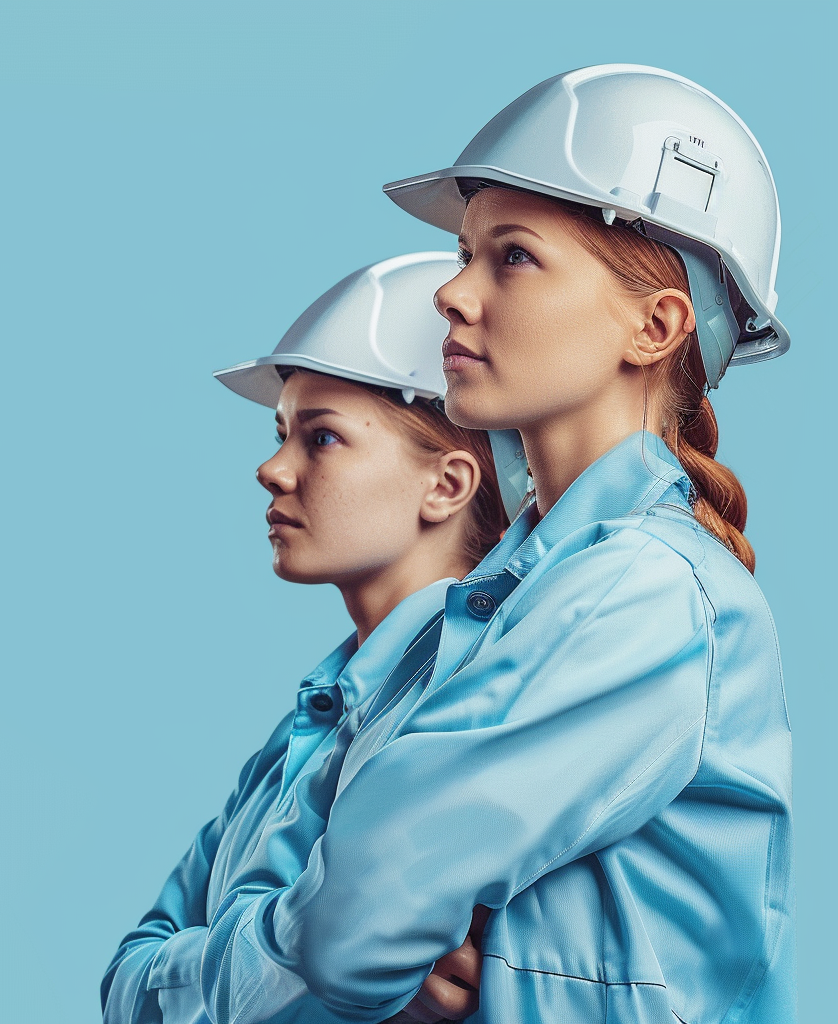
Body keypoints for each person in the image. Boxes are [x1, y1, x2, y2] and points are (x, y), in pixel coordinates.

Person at [199, 65, 794, 1024]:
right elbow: (320, 916)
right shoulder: (461, 622)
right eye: (462, 254)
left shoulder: (649, 593)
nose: (450, 294)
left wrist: (297, 954)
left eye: (509, 257)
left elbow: (358, 909)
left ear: (655, 325)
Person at [100, 252, 509, 1024]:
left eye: (319, 439)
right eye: (282, 433)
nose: (271, 469)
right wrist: (321, 971)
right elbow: (126, 983)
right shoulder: (304, 727)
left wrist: (223, 967)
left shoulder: (488, 704)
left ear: (447, 484)